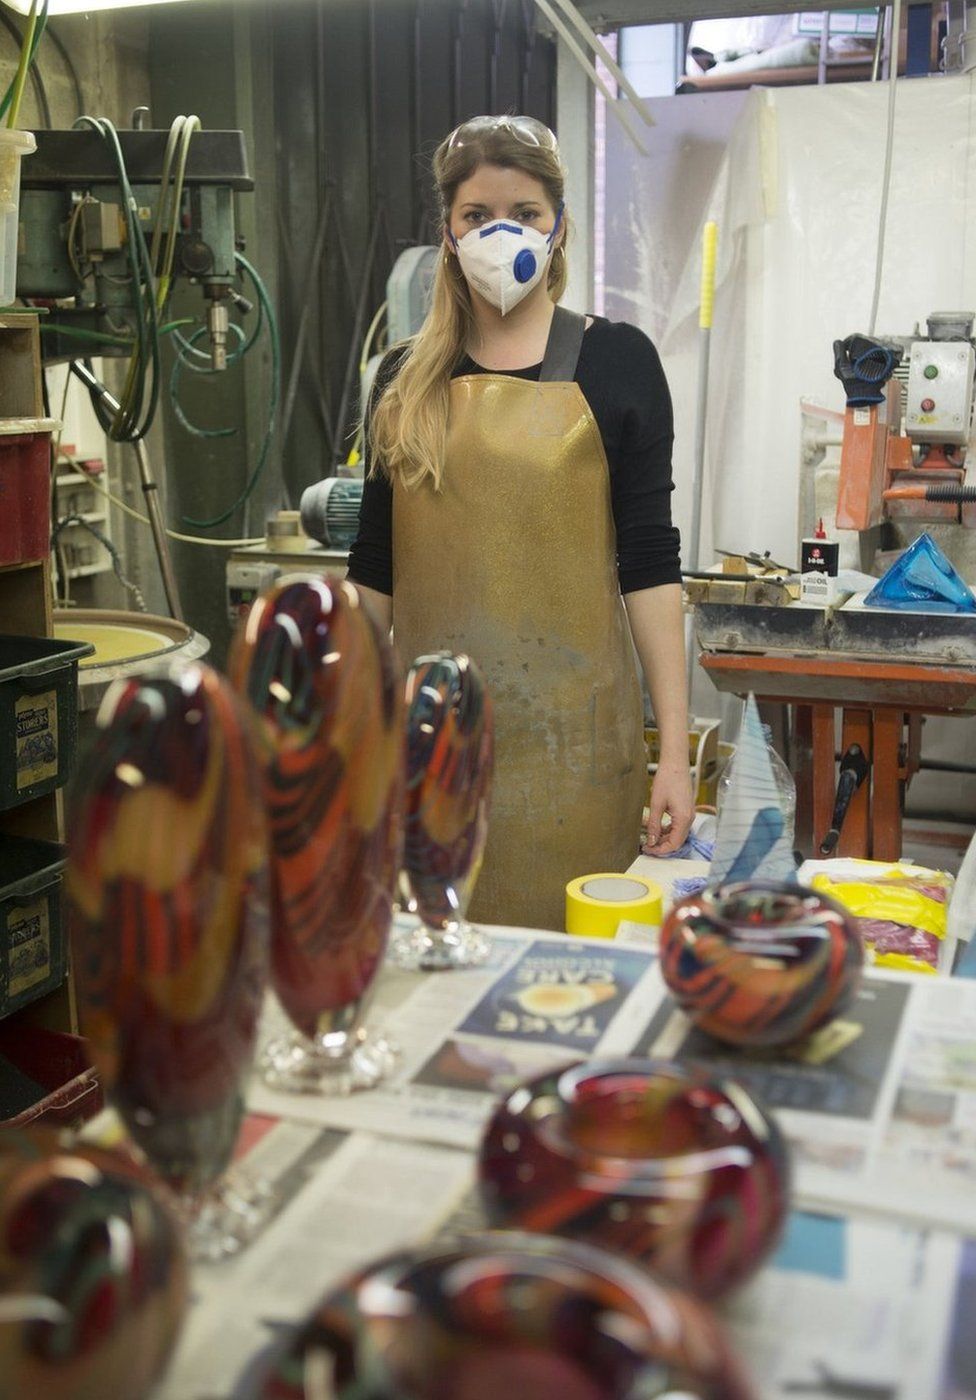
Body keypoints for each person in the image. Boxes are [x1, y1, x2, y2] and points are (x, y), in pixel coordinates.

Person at [345, 114, 692, 931]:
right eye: (478, 216)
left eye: (526, 214)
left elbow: (650, 567)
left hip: (580, 760)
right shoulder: (402, 378)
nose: (502, 233)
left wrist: (671, 752)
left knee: (571, 992)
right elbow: (373, 572)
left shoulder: (618, 362)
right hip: (430, 761)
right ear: (449, 232)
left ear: (559, 224)